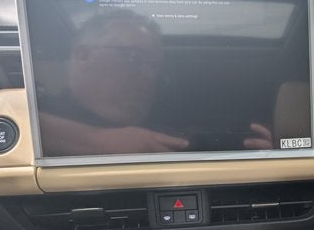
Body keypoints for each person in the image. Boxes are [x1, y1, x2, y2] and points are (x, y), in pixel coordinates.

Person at [38, 9, 271, 156]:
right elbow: (26, 131)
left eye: (155, 67)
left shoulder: (166, 135)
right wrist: (100, 142)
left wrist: (270, 157)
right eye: (134, 58)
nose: (150, 77)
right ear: (83, 56)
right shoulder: (37, 110)